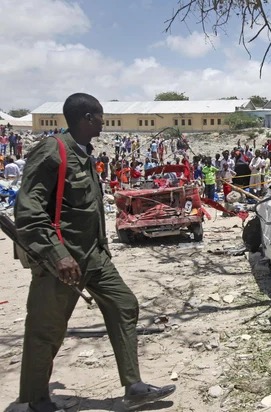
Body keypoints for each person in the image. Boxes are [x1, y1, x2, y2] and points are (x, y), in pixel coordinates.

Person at [14, 93, 175, 412]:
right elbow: (28, 208)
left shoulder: (85, 154)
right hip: (62, 261)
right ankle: (35, 399)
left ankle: (134, 386)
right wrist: (57, 254)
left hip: (94, 257)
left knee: (124, 304)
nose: (104, 121)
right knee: (46, 329)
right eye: (101, 116)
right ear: (87, 118)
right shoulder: (53, 150)